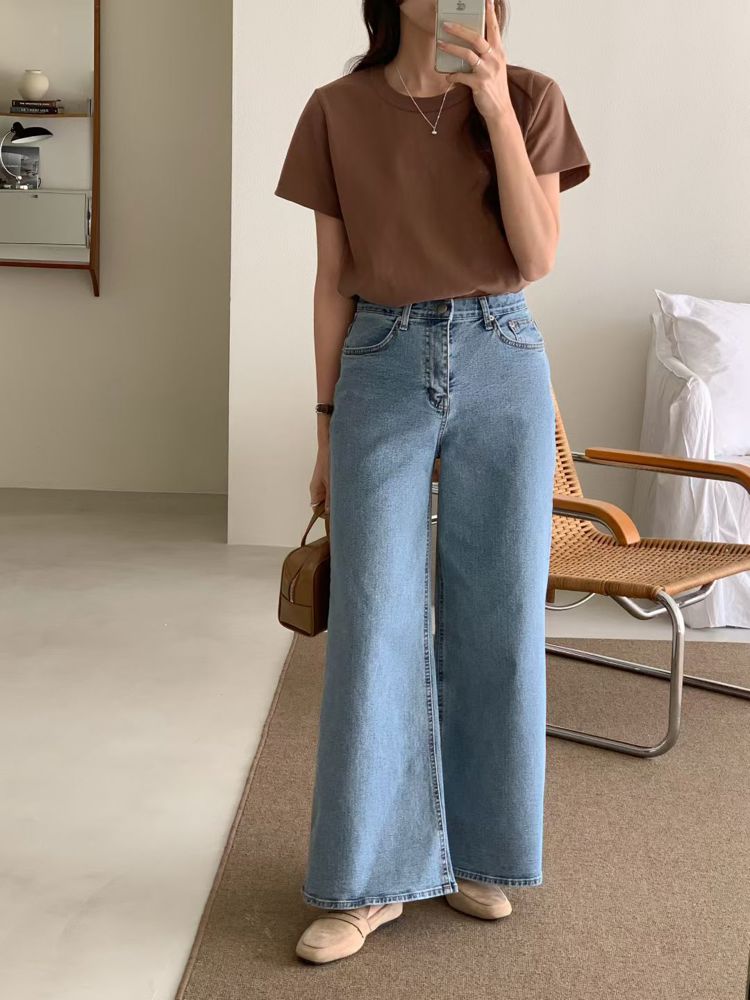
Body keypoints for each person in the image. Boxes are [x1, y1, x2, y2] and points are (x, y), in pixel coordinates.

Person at [274, 0, 591, 965]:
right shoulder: (336, 109)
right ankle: (369, 880)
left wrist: (492, 106)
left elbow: (537, 257)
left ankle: (477, 853)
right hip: (381, 358)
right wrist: (326, 424)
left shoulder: (530, 97)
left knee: (498, 614)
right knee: (374, 620)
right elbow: (332, 277)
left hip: (502, 354)